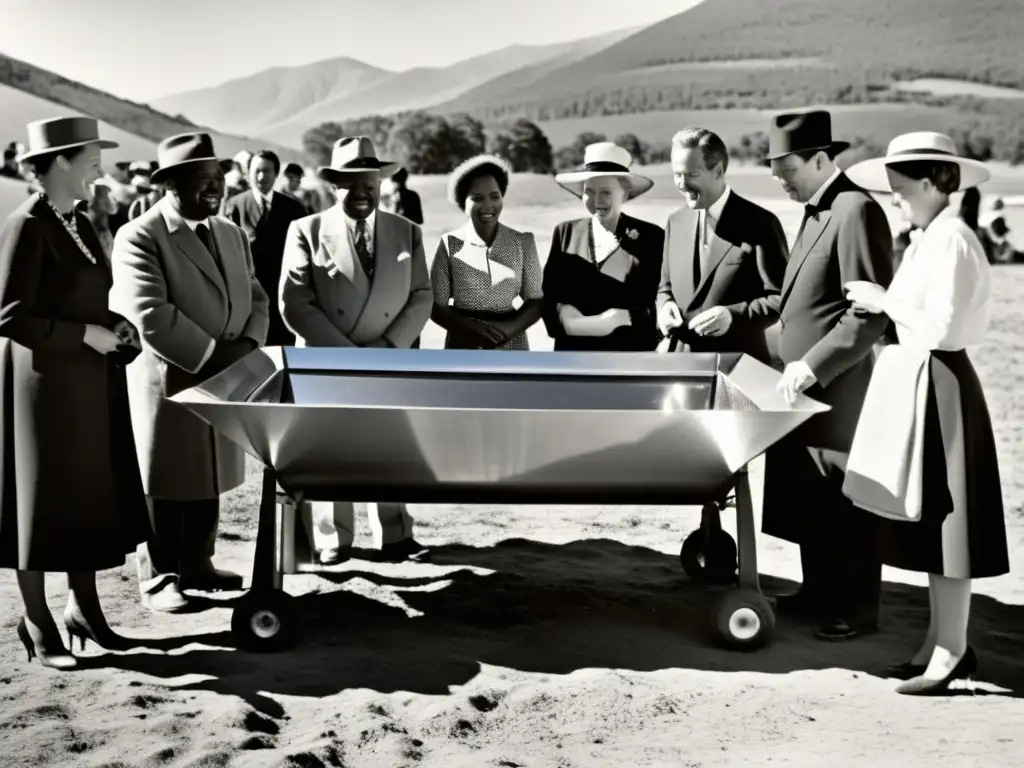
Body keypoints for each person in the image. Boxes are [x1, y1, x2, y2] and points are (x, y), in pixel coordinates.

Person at [842, 132, 1009, 694]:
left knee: (950, 522)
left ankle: (951, 649)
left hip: (943, 382)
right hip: (926, 380)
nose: (895, 199)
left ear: (937, 182)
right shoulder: (927, 238)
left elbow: (939, 327)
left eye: (901, 189)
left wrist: (879, 298)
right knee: (936, 521)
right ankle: (940, 646)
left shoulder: (953, 240)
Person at [0, 117, 149, 668]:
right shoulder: (27, 224)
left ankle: (83, 609)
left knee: (84, 495)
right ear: (59, 161)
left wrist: (112, 324)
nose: (100, 166)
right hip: (42, 391)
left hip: (87, 382)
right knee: (39, 508)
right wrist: (85, 334)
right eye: (92, 156)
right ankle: (37, 623)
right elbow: (11, 316)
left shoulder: (80, 223)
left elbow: (78, 299)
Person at [110, 132, 270, 613]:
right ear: (170, 185)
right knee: (165, 478)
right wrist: (221, 357)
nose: (215, 188)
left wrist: (248, 343)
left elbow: (257, 295)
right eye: (202, 180)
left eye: (218, 178)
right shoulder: (140, 235)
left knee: (207, 473)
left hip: (222, 374)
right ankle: (159, 577)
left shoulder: (230, 232)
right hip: (171, 378)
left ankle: (199, 563)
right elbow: (150, 315)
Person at [762, 110, 895, 642]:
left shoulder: (856, 209)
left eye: (786, 167)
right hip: (802, 388)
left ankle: (856, 609)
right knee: (810, 494)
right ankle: (818, 591)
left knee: (846, 499)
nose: (779, 178)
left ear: (820, 159)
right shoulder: (818, 208)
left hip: (841, 389)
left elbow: (868, 313)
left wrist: (812, 365)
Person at [280, 136, 431, 565]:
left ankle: (396, 535)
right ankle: (334, 539)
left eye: (371, 183)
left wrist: (388, 345)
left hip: (389, 359)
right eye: (352, 184)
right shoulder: (305, 231)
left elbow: (421, 295)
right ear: (333, 187)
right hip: (329, 362)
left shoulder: (408, 231)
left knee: (390, 444)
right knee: (332, 448)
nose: (363, 192)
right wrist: (345, 352)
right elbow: (295, 302)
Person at [657, 127, 788, 363]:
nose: (682, 184)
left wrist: (733, 316)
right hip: (679, 366)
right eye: (677, 174)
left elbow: (780, 298)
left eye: (691, 175)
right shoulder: (674, 222)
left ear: (718, 171)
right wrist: (664, 307)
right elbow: (665, 287)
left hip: (740, 367)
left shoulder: (761, 223)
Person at [541, 142, 664, 351]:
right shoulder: (565, 233)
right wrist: (564, 315)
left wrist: (621, 318)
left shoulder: (651, 237)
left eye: (606, 192)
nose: (597, 200)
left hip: (630, 359)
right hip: (574, 358)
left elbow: (662, 300)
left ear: (625, 194)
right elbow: (548, 295)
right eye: (589, 191)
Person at [431, 154, 543, 349]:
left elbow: (536, 302)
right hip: (463, 345)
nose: (488, 206)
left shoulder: (523, 242)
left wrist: (510, 329)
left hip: (511, 344)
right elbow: (436, 307)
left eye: (494, 196)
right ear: (462, 202)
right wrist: (473, 329)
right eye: (477, 198)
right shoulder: (449, 244)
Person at [223, 150, 307, 346]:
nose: (261, 177)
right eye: (256, 171)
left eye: (267, 171)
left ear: (276, 174)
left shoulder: (293, 208)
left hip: (283, 292)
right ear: (248, 173)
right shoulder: (234, 206)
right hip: (247, 293)